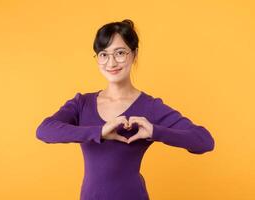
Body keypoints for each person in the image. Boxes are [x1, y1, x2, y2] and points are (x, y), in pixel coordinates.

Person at [36, 19, 215, 200]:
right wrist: (100, 132)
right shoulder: (82, 103)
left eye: (120, 53)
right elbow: (44, 130)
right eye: (103, 54)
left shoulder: (149, 107)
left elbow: (204, 141)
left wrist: (155, 131)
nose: (111, 63)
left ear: (134, 54)